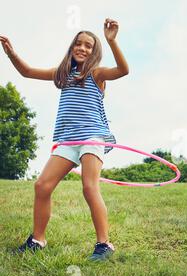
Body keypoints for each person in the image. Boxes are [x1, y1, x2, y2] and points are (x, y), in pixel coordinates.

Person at [1, 18, 129, 261]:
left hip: (92, 136)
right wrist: (11, 54)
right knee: (42, 186)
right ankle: (38, 240)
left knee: (90, 186)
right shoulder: (62, 75)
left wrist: (112, 41)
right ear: (72, 48)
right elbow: (27, 72)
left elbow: (123, 70)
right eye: (78, 44)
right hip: (67, 140)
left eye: (88, 46)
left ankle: (104, 245)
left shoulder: (96, 73)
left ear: (94, 52)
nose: (82, 48)